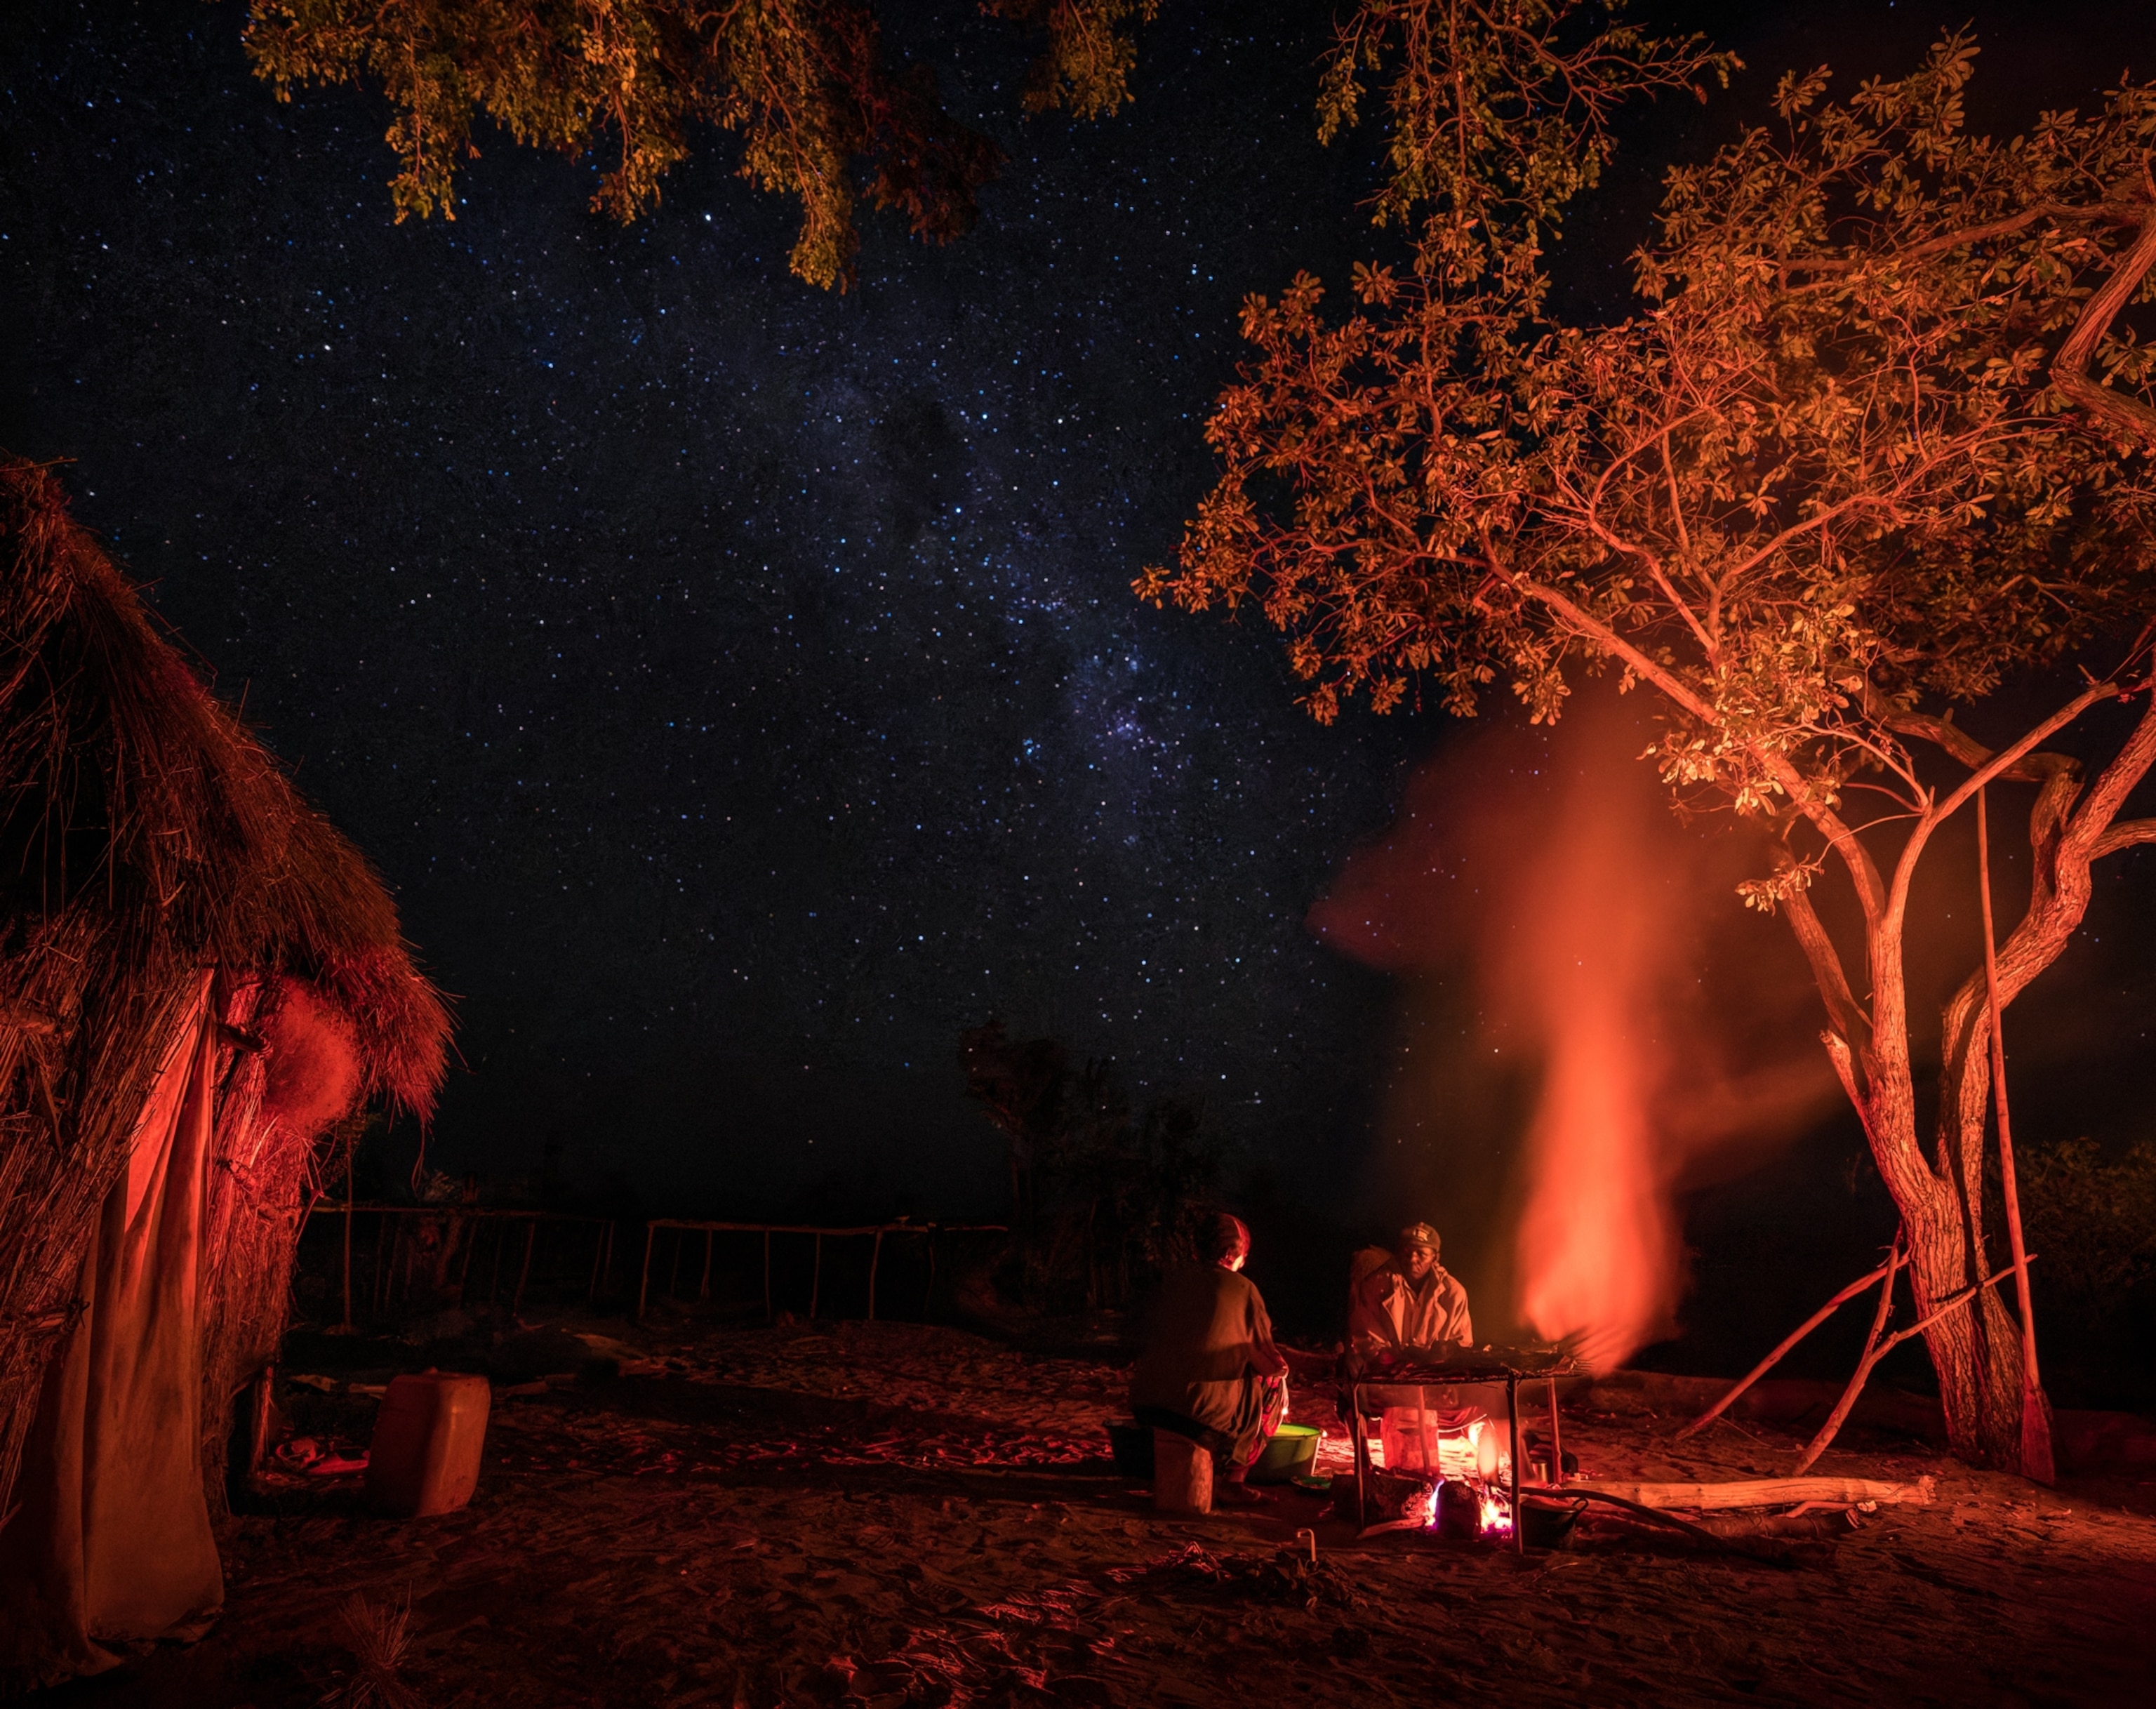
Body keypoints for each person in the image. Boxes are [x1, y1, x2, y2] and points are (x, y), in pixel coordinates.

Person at [1129, 1213, 1289, 1501]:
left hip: (1144, 1404)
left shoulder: (1172, 1280)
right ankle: (1234, 1480)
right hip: (1197, 1414)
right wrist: (1281, 1367)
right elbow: (1270, 1365)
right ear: (1233, 1252)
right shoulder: (1243, 1289)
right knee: (1275, 1386)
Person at [1349, 1222, 1472, 1355]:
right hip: (1386, 1371)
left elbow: (1462, 1344)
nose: (1413, 1259)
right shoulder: (1376, 1286)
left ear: (1435, 1258)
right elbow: (1364, 1335)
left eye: (1421, 1254)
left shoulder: (1453, 1293)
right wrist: (1390, 1356)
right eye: (1407, 1253)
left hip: (1437, 1373)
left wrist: (1444, 1353)